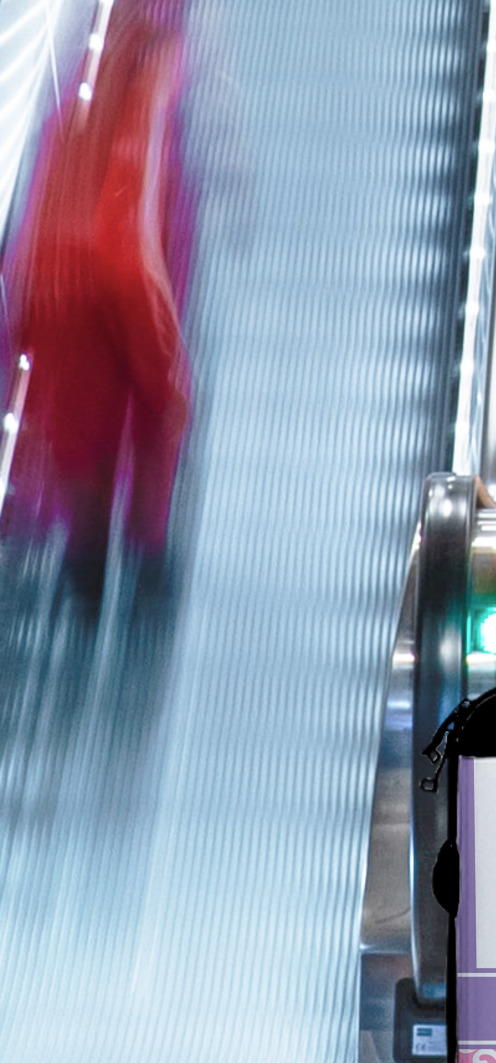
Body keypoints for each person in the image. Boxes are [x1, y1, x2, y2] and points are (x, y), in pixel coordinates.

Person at [3, 0, 192, 610]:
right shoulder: (154, 49)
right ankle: (144, 562)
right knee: (161, 402)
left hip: (47, 268)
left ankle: (88, 567)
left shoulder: (70, 51)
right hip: (112, 264)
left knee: (81, 426)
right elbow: (129, 195)